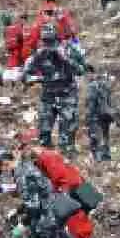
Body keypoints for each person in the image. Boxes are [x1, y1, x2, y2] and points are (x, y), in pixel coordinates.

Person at [0, 134, 108, 238]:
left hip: (74, 193)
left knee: (78, 230)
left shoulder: (47, 158)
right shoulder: (36, 162)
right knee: (67, 227)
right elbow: (41, 185)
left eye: (23, 149)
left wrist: (60, 202)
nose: (22, 153)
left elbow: (64, 182)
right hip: (72, 191)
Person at [22, 24, 86, 155]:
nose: (49, 45)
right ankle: (46, 164)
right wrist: (36, 79)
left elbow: (81, 70)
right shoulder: (40, 54)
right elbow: (25, 75)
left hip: (67, 95)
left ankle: (68, 163)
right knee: (44, 134)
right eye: (45, 42)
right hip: (48, 96)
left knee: (67, 136)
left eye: (51, 42)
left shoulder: (69, 50)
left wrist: (65, 59)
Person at [84, 67, 119, 163]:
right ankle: (107, 158)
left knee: (95, 138)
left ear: (90, 74)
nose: (86, 77)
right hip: (106, 116)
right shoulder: (105, 85)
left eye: (87, 74)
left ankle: (98, 160)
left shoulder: (92, 86)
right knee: (105, 137)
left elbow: (90, 104)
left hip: (95, 116)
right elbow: (111, 101)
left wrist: (87, 118)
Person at [3, 9, 28, 79]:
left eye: (24, 18)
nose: (23, 20)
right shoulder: (19, 29)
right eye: (22, 18)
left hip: (11, 62)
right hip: (17, 60)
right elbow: (23, 42)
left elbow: (6, 42)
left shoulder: (7, 29)